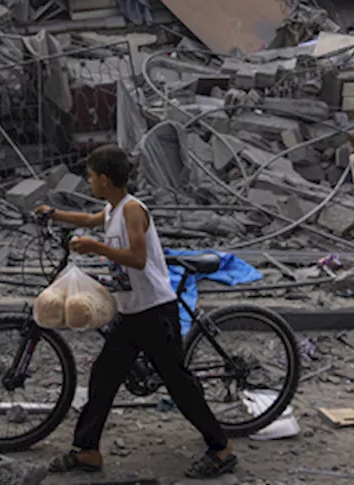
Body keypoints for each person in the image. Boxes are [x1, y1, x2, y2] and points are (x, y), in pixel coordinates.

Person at [35, 145, 237, 479]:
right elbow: (89, 219)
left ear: (103, 178)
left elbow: (138, 258)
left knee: (178, 383)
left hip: (154, 310)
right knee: (104, 376)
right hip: (132, 313)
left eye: (90, 177)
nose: (88, 182)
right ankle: (87, 451)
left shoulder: (132, 210)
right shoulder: (113, 209)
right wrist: (53, 213)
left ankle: (222, 448)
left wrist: (95, 247)